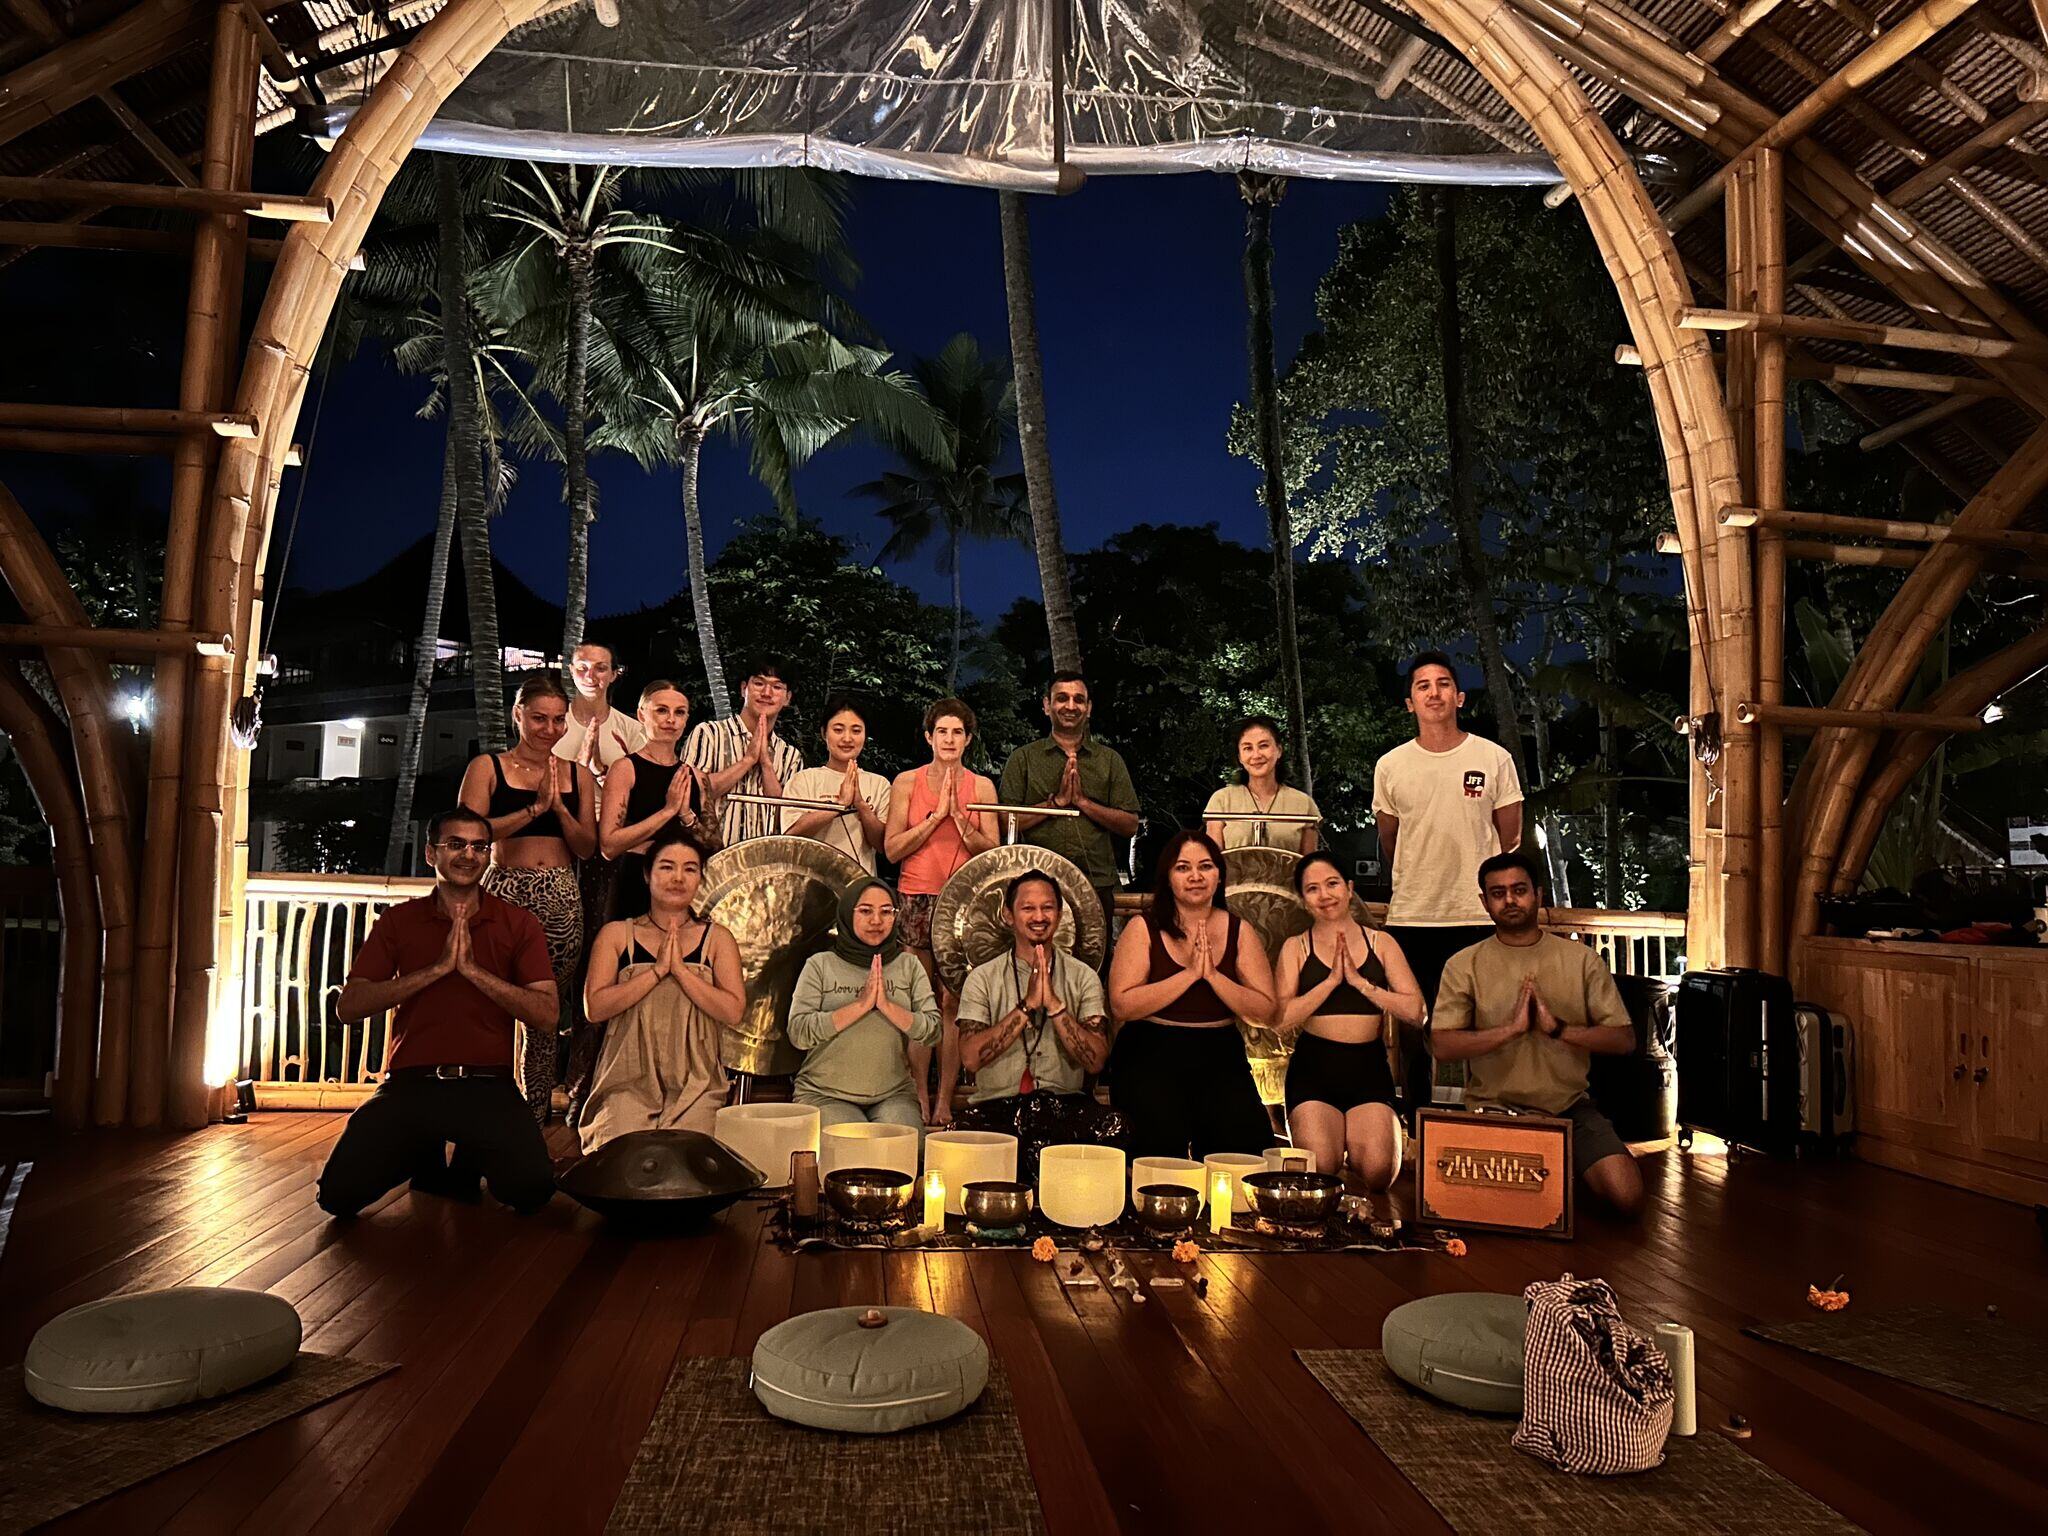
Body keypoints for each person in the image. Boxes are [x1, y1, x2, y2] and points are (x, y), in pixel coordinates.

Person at [316, 807, 556, 1216]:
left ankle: (469, 1153)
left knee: (532, 1190)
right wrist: (437, 970)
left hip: (487, 1085)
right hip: (411, 1084)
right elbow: (348, 1007)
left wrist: (473, 972)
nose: (468, 855)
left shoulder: (517, 923)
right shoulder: (399, 920)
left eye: (480, 846)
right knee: (338, 1196)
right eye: (455, 844)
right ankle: (420, 1151)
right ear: (431, 854)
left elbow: (547, 1014)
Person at [1429, 851, 1643, 1216]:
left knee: (1626, 1196)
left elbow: (1624, 1040)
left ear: (1539, 895)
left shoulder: (1581, 960)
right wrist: (1510, 1030)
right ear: (1485, 902)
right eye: (1498, 893)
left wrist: (1557, 1029)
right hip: (1493, 1110)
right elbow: (1443, 1045)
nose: (1510, 900)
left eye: (1519, 890)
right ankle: (1555, 1175)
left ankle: (1564, 1169)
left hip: (1570, 1109)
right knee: (1494, 1208)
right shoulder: (1464, 964)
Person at [1372, 650, 1524, 1131]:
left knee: (1483, 1024)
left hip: (1476, 915)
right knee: (1415, 1029)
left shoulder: (1492, 758)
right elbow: (1390, 839)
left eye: (1442, 684)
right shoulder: (1392, 765)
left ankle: (1487, 1122)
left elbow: (1510, 838)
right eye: (1422, 685)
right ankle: (1417, 1129)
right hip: (1412, 915)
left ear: (1459, 697)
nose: (1433, 692)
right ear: (1409, 703)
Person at [458, 673, 599, 1121]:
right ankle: (482, 1109)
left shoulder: (577, 774)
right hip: (503, 890)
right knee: (489, 1003)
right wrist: (533, 809)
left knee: (544, 1011)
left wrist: (558, 808)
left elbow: (586, 847)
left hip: (559, 894)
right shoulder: (488, 767)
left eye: (559, 721)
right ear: (518, 714)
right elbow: (468, 835)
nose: (550, 729)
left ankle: (532, 1117)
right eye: (539, 718)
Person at [1106, 829, 1277, 1159]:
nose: (1195, 876)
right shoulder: (1143, 928)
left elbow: (1265, 1011)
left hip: (1219, 1052)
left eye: (1206, 867)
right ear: (1168, 877)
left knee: (1246, 1153)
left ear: (1218, 876)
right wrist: (1189, 975)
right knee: (1157, 1158)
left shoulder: (1239, 930)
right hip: (1150, 1050)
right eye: (1183, 867)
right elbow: (1122, 1005)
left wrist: (1212, 975)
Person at [578, 827, 746, 1152]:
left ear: (700, 879)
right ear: (647, 874)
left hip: (697, 1082)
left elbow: (734, 1010)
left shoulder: (717, 939)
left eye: (690, 869)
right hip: (626, 1079)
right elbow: (594, 1007)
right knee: (621, 1158)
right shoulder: (616, 935)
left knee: (689, 1162)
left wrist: (682, 972)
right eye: (667, 867)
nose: (678, 878)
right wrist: (656, 972)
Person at [953, 871, 1125, 1179]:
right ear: (1008, 915)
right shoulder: (983, 978)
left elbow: (1096, 1061)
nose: (1039, 916)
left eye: (1047, 908)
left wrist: (1056, 1008)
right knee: (960, 1138)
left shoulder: (1082, 976)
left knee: (1116, 1127)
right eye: (1027, 908)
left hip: (1064, 1105)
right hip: (997, 1105)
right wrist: (1027, 1006)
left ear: (1059, 915)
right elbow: (970, 1057)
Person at [1272, 852, 1425, 1195]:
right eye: (1313, 889)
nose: (1325, 895)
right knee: (1320, 1170)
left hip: (1366, 1065)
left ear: (1349, 887)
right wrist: (1329, 983)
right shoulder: (1295, 947)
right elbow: (1279, 1019)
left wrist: (1362, 984)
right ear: (1303, 898)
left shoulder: (1380, 943)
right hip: (1314, 1066)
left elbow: (1416, 1010)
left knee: (1376, 1173)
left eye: (1332, 884)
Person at [883, 697, 999, 1126]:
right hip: (916, 895)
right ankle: (917, 1093)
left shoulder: (982, 787)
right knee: (919, 1000)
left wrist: (961, 822)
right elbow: (893, 848)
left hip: (964, 902)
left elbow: (993, 851)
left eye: (958, 732)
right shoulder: (907, 783)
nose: (949, 740)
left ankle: (946, 1097)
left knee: (952, 1001)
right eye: (942, 732)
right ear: (929, 736)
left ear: (968, 739)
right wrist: (936, 818)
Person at [786, 877, 942, 1131]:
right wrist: (860, 1006)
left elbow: (932, 1031)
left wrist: (888, 1007)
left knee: (907, 1151)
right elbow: (799, 1032)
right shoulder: (821, 965)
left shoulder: (908, 965)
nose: (877, 921)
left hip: (893, 1094)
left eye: (886, 912)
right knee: (855, 1147)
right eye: (866, 911)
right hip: (825, 1093)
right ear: (848, 913)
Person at [998, 672, 1141, 939]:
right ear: (1046, 705)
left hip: (1095, 882)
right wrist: (1056, 804)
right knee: (1033, 965)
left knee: (1093, 967)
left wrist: (1083, 803)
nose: (1071, 706)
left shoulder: (1109, 760)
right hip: (1034, 885)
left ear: (1089, 708)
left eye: (1079, 700)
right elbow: (1005, 821)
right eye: (1062, 698)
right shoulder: (1023, 758)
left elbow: (1130, 825)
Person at [598, 679, 717, 922]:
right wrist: (668, 810)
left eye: (679, 712)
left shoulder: (697, 776)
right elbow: (609, 846)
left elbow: (715, 847)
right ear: (642, 715)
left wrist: (686, 816)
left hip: (685, 888)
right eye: (661, 710)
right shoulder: (625, 769)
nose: (671, 719)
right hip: (635, 884)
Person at [683, 660, 805, 846]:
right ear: (743, 689)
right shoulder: (709, 734)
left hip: (763, 863)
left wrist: (766, 765)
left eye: (777, 687)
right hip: (710, 856)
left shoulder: (790, 756)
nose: (766, 693)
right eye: (759, 683)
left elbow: (787, 817)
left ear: (787, 698)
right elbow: (690, 794)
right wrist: (747, 761)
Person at [779, 696, 891, 875]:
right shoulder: (804, 779)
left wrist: (861, 805)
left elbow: (882, 845)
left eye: (856, 730)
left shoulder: (879, 784)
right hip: (811, 886)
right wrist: (837, 805)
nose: (847, 738)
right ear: (824, 733)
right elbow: (791, 835)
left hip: (861, 890)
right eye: (838, 730)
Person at [1205, 715, 1321, 855]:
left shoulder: (1304, 804)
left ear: (1279, 750)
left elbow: (1309, 867)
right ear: (1239, 757)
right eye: (1248, 748)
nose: (1256, 755)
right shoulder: (1221, 800)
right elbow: (1213, 862)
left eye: (1263, 746)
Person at [557, 640, 648, 779]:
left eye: (600, 668)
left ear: (613, 674)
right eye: (582, 667)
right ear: (571, 671)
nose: (589, 676)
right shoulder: (552, 725)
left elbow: (637, 794)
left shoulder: (633, 731)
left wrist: (599, 769)